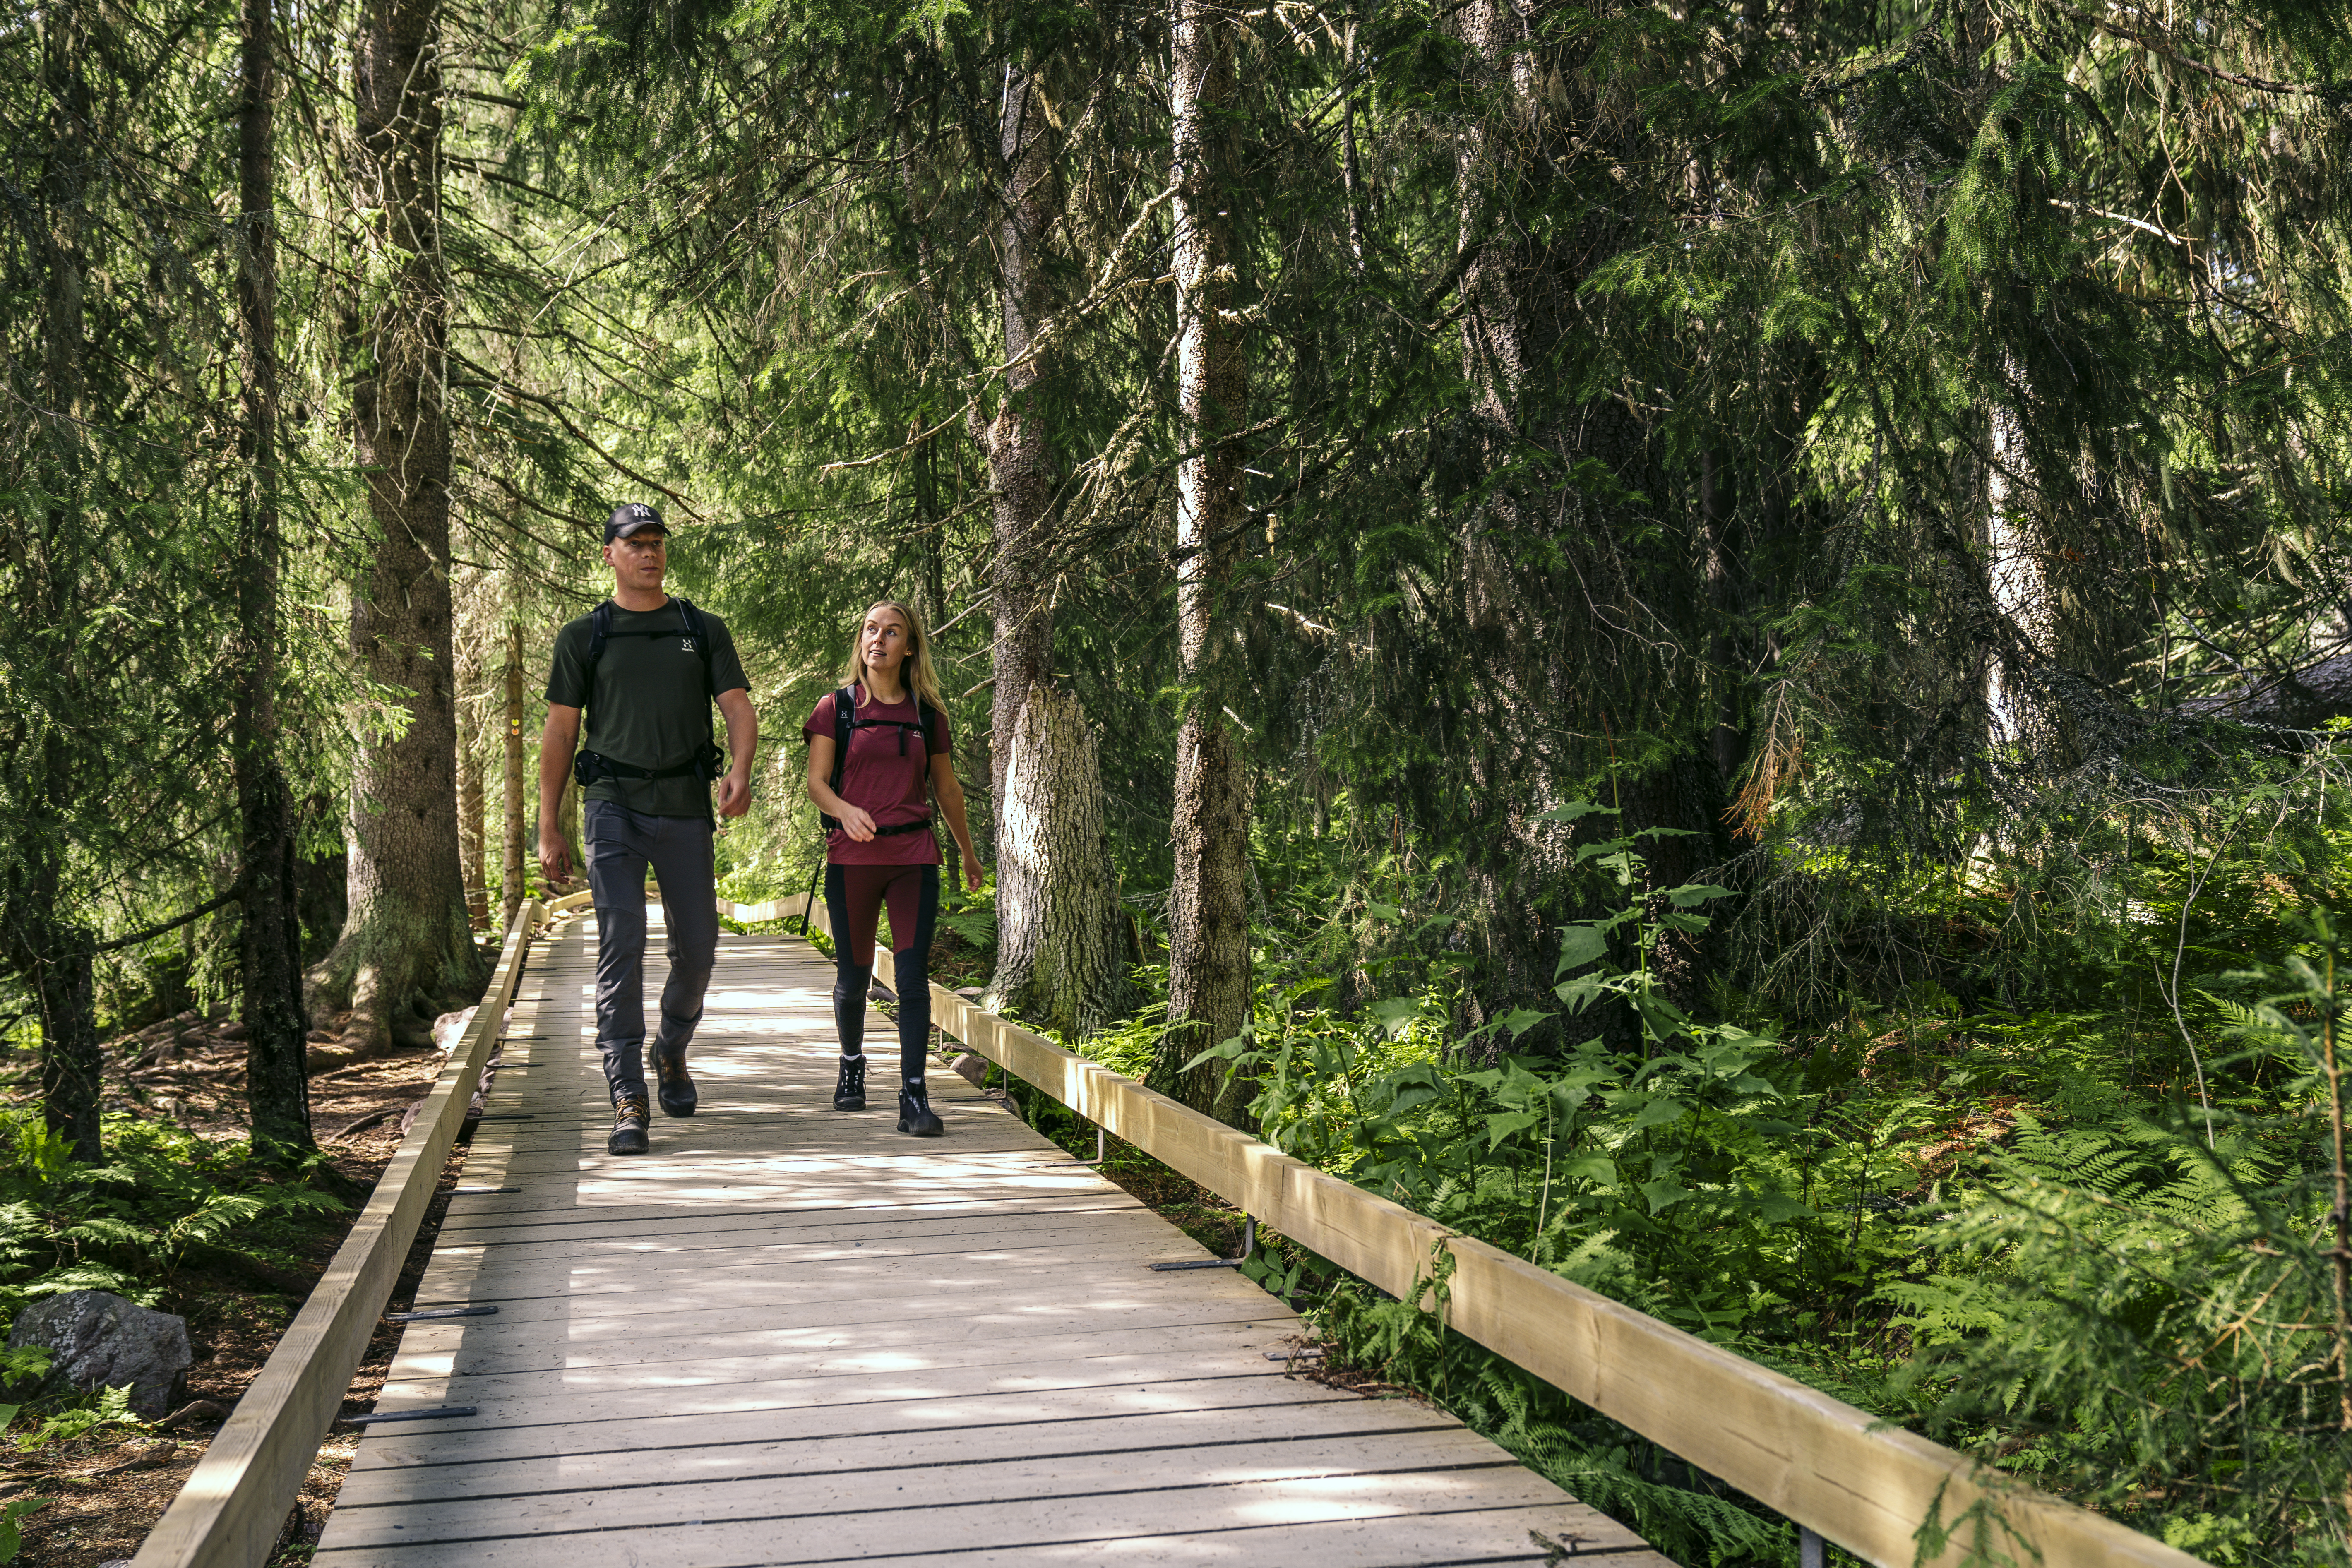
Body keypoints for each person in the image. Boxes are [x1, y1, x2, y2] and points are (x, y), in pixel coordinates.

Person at [538, 502, 757, 1156]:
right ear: (609, 553)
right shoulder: (586, 636)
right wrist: (550, 826)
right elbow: (559, 732)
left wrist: (741, 770)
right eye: (635, 542)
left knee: (699, 949)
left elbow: (739, 709)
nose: (649, 551)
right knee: (622, 944)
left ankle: (671, 1047)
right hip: (612, 806)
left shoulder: (700, 627)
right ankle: (627, 1092)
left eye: (657, 541)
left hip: (685, 806)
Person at [803, 601, 982, 1136]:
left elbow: (947, 789)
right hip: (852, 861)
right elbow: (817, 782)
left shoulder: (927, 715)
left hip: (913, 860)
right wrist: (843, 809)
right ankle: (853, 1064)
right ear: (862, 640)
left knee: (911, 978)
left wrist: (968, 853)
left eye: (892, 632)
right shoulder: (836, 707)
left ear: (910, 647)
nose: (878, 639)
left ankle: (913, 1096)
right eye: (871, 630)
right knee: (854, 976)